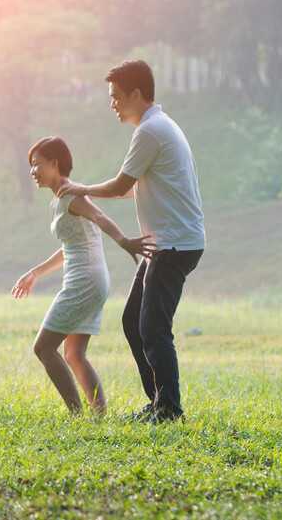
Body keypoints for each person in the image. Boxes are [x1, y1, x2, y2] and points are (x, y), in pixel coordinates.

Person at [58, 60, 206, 422]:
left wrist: (81, 188)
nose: (112, 104)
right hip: (164, 243)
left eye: (116, 97)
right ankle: (158, 402)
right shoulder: (157, 126)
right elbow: (137, 188)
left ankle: (169, 410)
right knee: (132, 321)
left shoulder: (151, 131)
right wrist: (91, 193)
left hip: (173, 245)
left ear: (137, 94)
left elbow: (123, 184)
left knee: (153, 328)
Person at [13, 136, 156, 415]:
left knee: (43, 348)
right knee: (73, 354)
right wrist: (35, 273)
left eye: (37, 165)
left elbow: (100, 218)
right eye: (31, 166)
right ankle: (98, 416)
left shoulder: (71, 196)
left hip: (85, 280)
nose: (33, 172)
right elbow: (70, 247)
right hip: (87, 278)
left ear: (55, 164)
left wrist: (124, 240)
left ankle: (76, 415)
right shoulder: (58, 201)